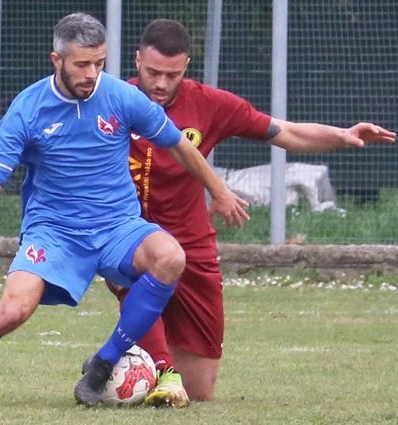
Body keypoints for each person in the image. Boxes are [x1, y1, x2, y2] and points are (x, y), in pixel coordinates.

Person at [0, 12, 248, 408]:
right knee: (14, 309)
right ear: (56, 60)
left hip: (116, 227)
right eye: (82, 64)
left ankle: (104, 363)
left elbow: (178, 143)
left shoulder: (122, 98)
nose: (93, 73)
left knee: (170, 256)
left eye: (100, 63)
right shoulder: (28, 109)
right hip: (54, 233)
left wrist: (219, 189)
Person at [105, 18, 396, 407]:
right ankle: (142, 363)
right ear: (137, 60)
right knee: (133, 280)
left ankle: (135, 365)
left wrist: (341, 136)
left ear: (186, 67)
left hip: (192, 245)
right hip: (129, 237)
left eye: (171, 75)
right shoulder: (111, 100)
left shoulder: (208, 103)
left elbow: (284, 132)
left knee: (200, 391)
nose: (160, 83)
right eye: (152, 72)